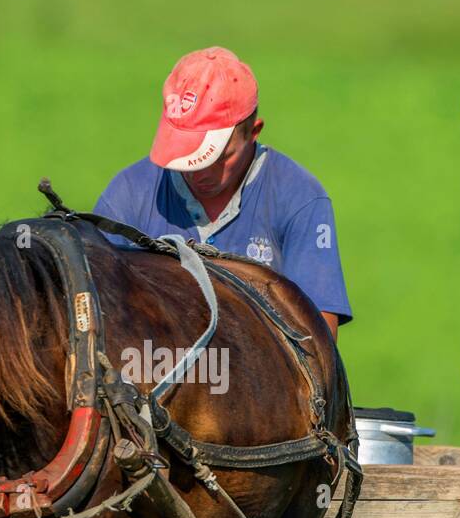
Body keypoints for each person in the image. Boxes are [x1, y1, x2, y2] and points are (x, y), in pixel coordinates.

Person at [94, 46, 352, 339]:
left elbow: (318, 340)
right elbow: (95, 317)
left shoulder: (300, 199)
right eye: (185, 156)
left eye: (218, 158)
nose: (199, 172)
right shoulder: (127, 196)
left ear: (254, 132)